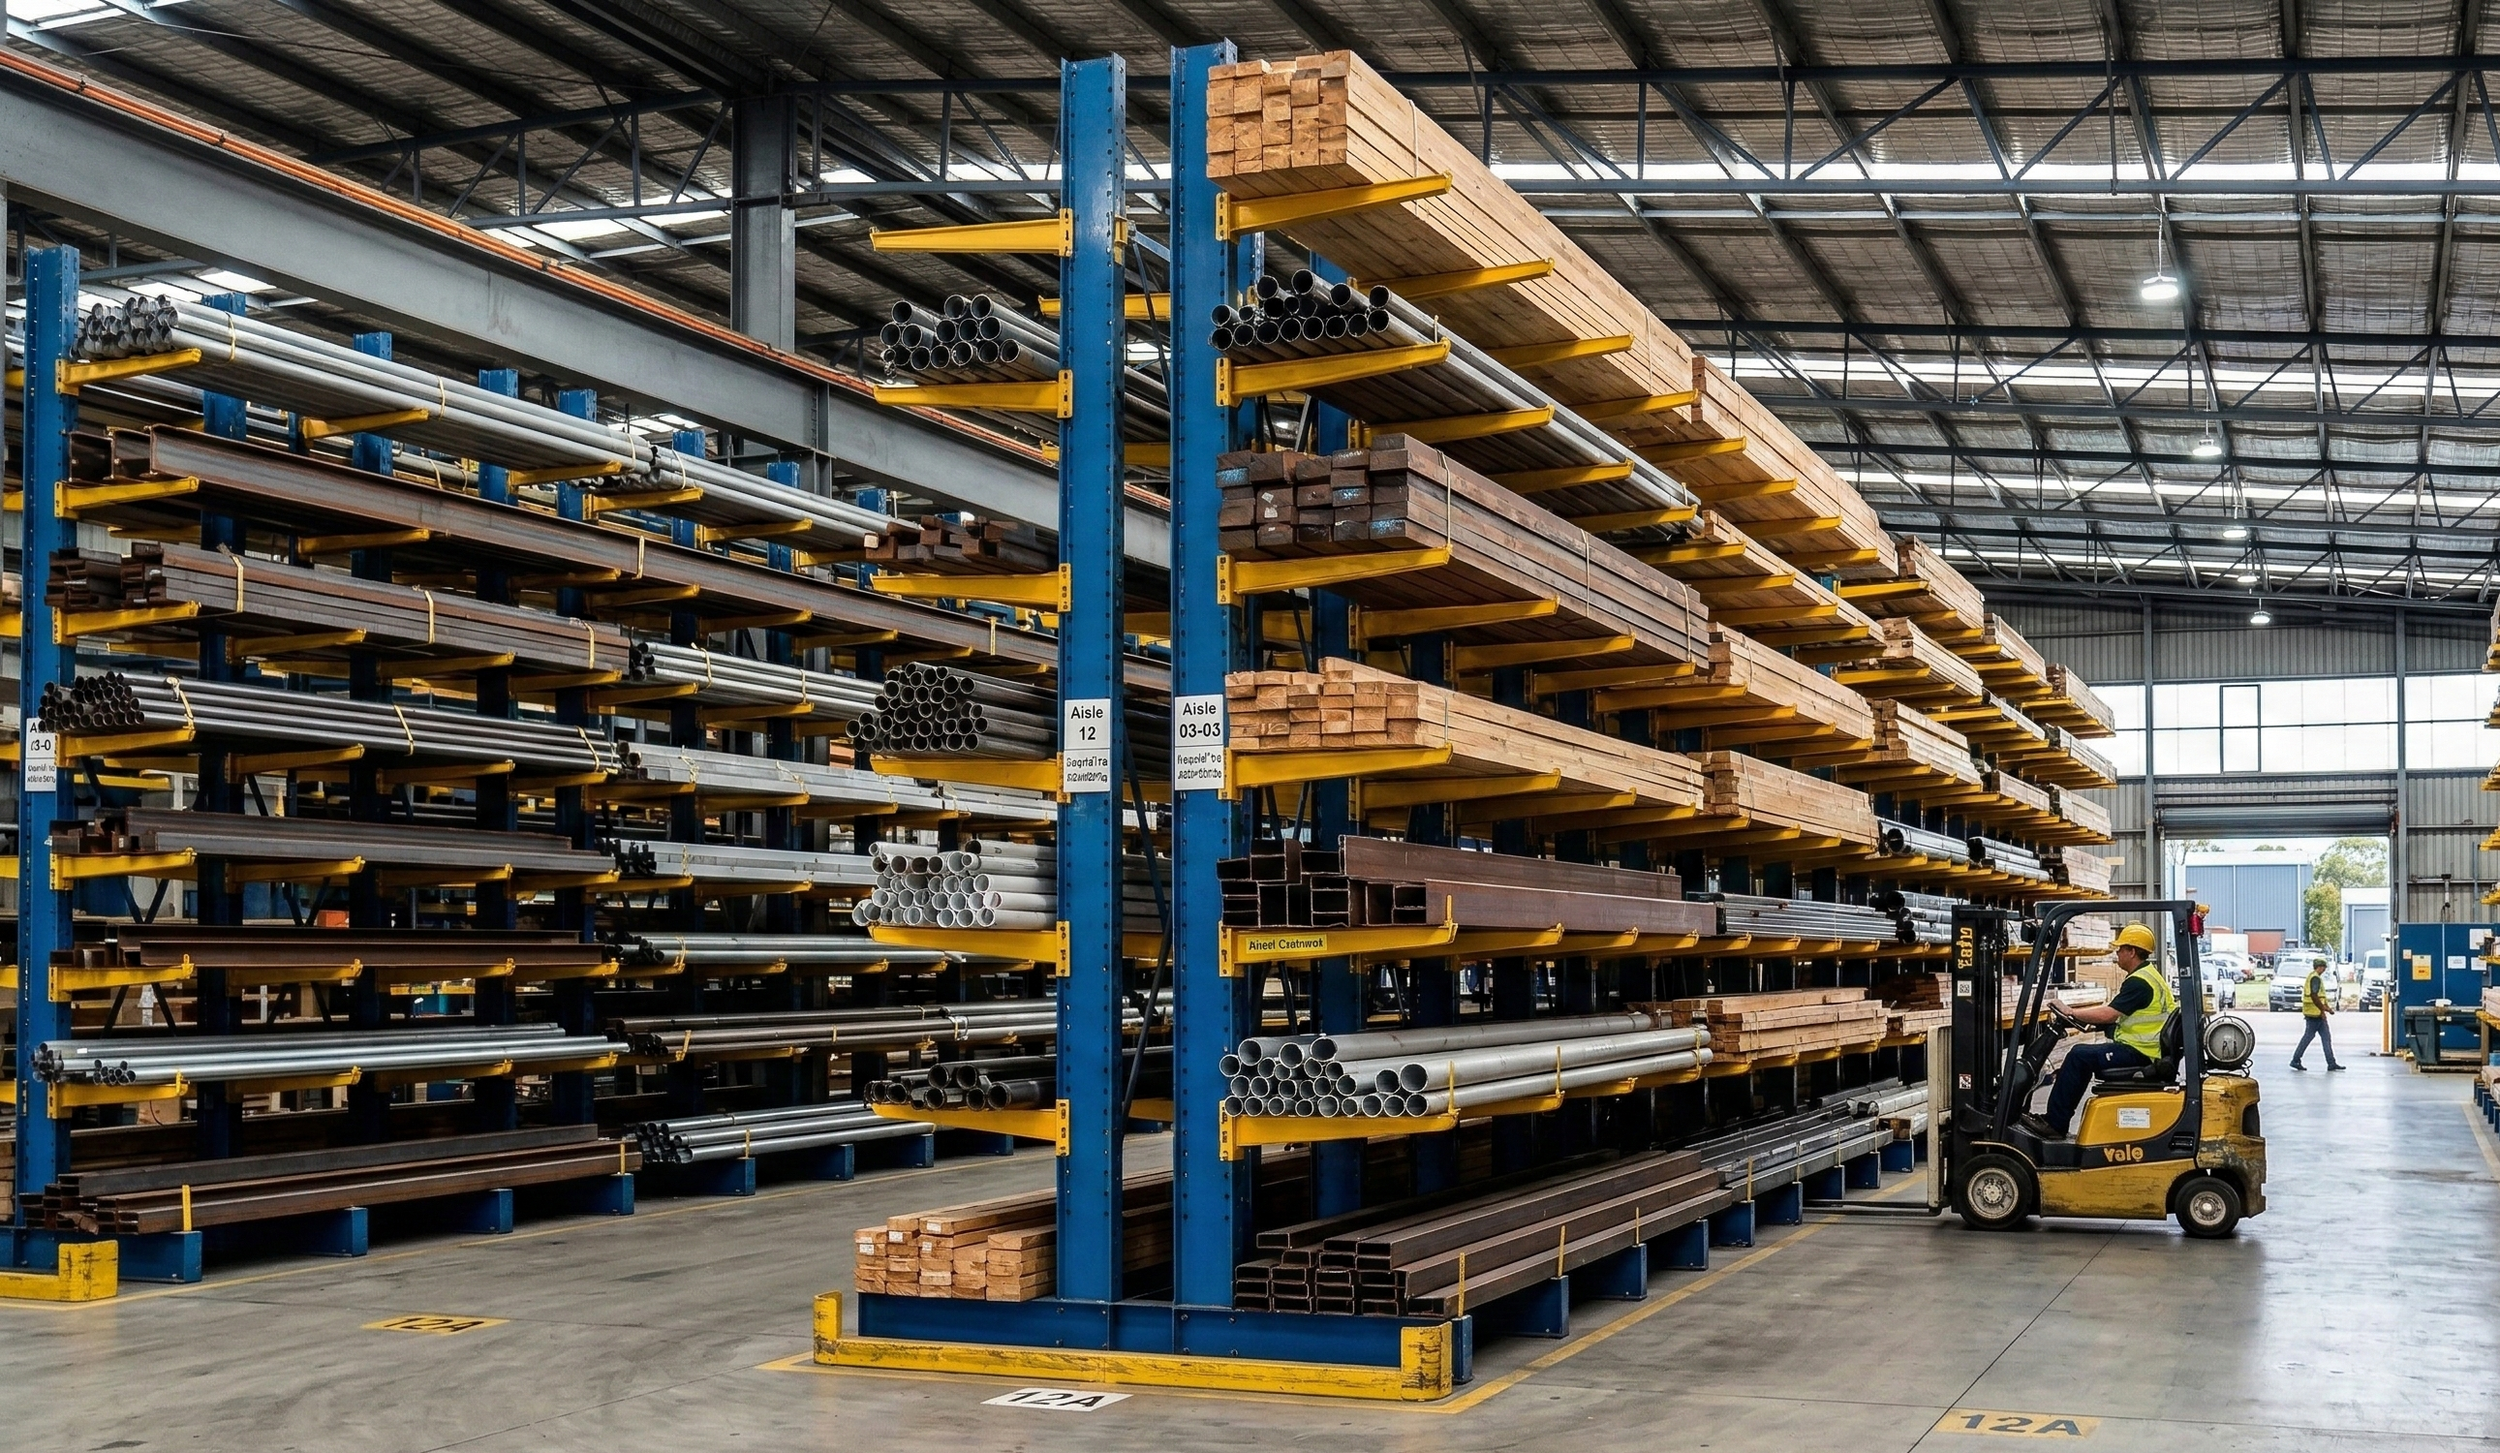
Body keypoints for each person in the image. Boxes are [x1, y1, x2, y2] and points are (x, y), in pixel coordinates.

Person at [2028, 923, 2175, 1139]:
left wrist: (2071, 1011)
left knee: (2079, 1056)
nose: (2117, 953)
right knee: (2083, 1055)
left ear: (2132, 951)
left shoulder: (2139, 982)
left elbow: (2109, 1014)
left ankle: (2055, 1123)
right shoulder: (2149, 976)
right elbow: (2125, 1018)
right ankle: (2056, 1120)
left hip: (2141, 1053)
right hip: (2148, 1049)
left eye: (2120, 949)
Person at [2291, 958, 2345, 1071]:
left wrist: (2325, 1009)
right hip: (2314, 1014)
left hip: (2316, 1013)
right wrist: (2323, 1009)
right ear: (2319, 967)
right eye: (2324, 967)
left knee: (2325, 1038)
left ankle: (2331, 1063)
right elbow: (2314, 995)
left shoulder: (2313, 976)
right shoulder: (2315, 978)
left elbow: (2319, 996)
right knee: (2309, 1037)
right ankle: (2295, 1060)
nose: (2324, 970)